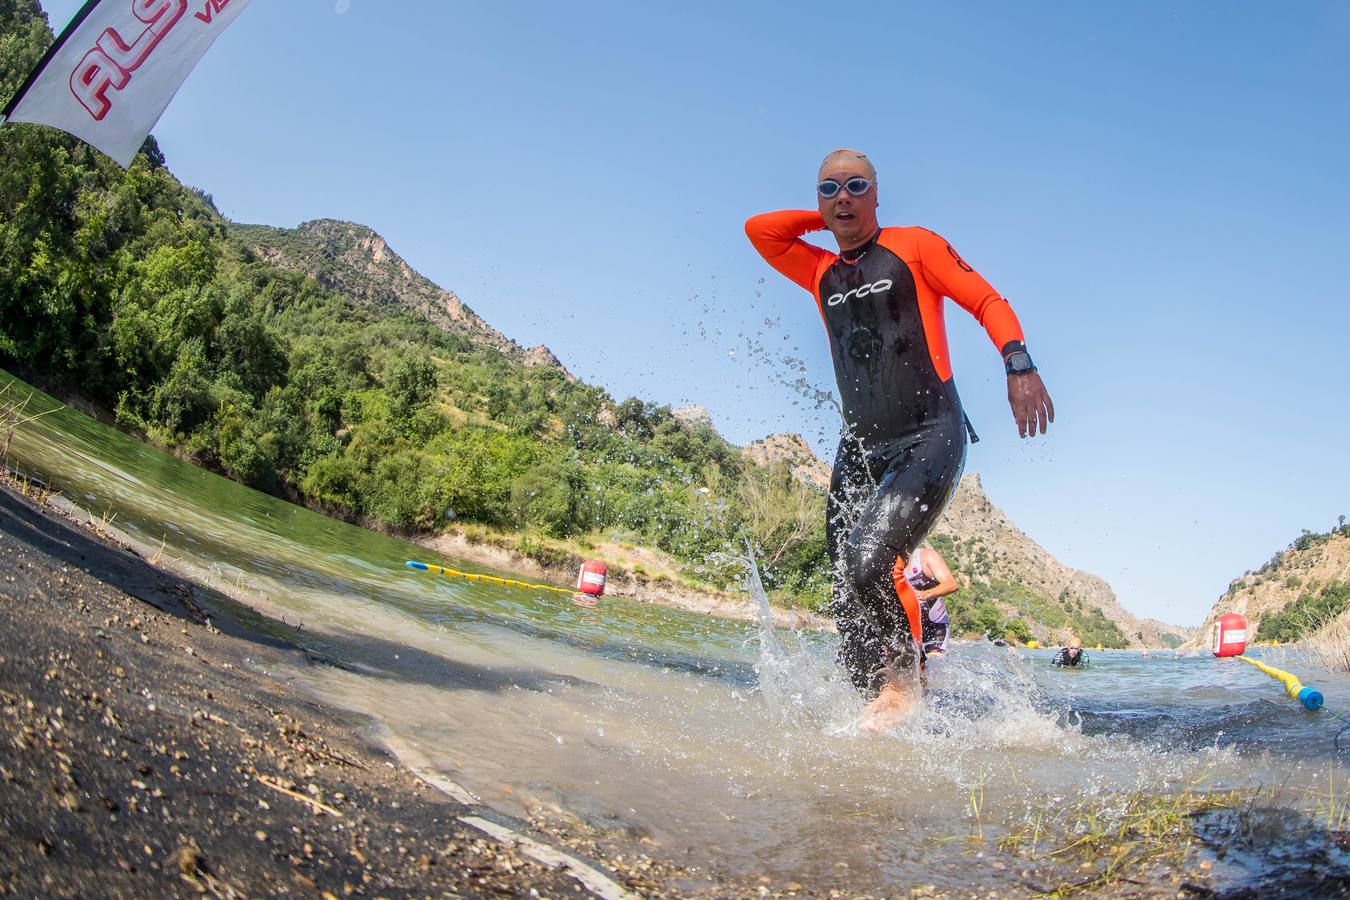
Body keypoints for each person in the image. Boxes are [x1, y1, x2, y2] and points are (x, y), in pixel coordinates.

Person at [745, 149, 1054, 726]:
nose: (842, 196)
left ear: (878, 193)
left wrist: (1018, 363)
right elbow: (759, 230)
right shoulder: (819, 271)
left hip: (928, 434)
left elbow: (986, 300)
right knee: (845, 582)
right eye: (829, 188)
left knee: (869, 561)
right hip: (861, 447)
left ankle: (903, 684)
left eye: (856, 186)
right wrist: (830, 216)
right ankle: (874, 709)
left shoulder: (914, 246)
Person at [902, 545, 957, 659]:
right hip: (909, 633)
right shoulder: (889, 565)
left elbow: (951, 584)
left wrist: (925, 594)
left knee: (933, 665)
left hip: (935, 629)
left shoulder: (926, 557)